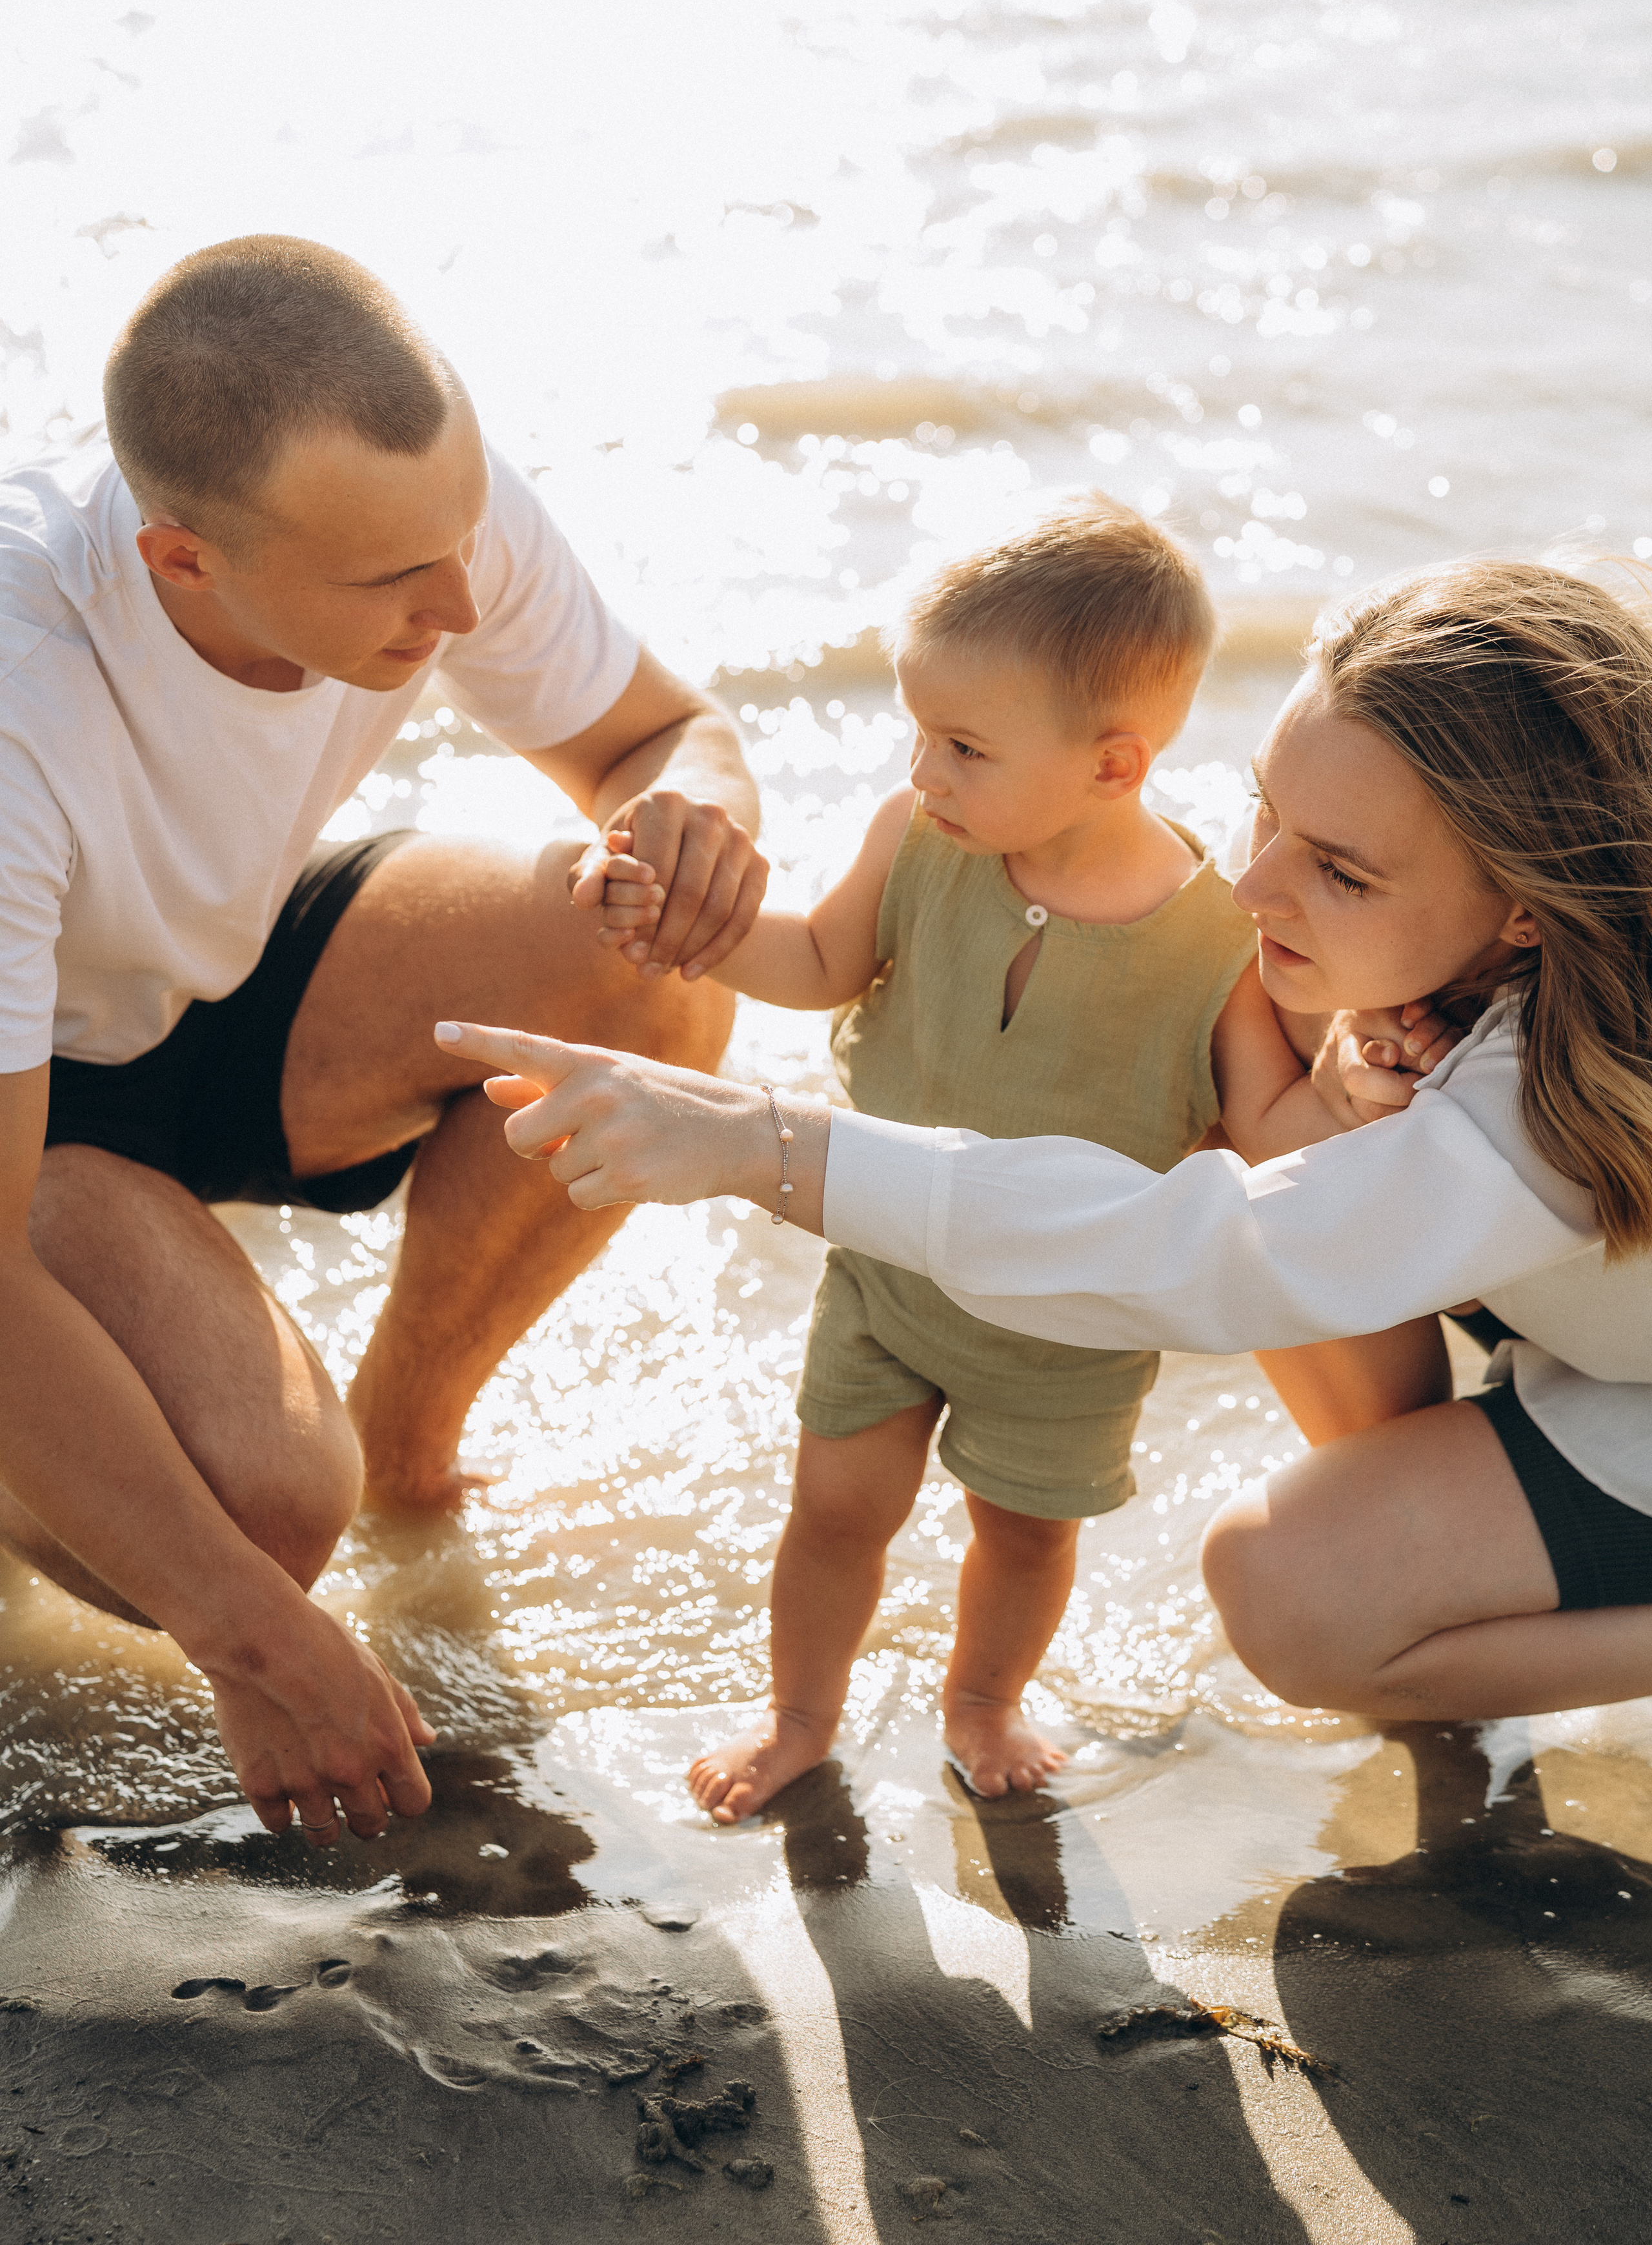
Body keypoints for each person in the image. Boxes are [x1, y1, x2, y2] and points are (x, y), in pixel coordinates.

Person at [440, 556, 1652, 1724]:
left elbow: (1198, 1255)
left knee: (1286, 1594)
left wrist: (764, 1144)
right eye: (1266, 807)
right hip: (1569, 1331)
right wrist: (1347, 1046)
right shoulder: (1472, 949)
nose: (1250, 888)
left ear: (1527, 915)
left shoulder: (1538, 1115)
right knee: (1223, 1084)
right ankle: (1432, 1493)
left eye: (1337, 872)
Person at [0, 235, 764, 1847]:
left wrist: (700, 808)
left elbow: (653, 731)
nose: (464, 601)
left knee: (647, 974)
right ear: (183, 562)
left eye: (459, 537)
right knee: (264, 1513)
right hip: (29, 1099)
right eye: (393, 583)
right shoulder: (21, 701)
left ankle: (422, 1464)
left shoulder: (422, 511)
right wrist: (251, 1632)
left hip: (204, 980)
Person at [602, 496, 1355, 1817]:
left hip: (1068, 1321)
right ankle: (796, 1717)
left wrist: (1366, 1074)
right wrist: (689, 924)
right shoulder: (919, 841)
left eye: (960, 745)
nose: (921, 771)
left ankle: (983, 1702)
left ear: (1114, 767)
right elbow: (817, 961)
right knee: (833, 1509)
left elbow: (1268, 1134)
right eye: (915, 733)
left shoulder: (1214, 941)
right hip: (887, 1272)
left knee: (1019, 1538)